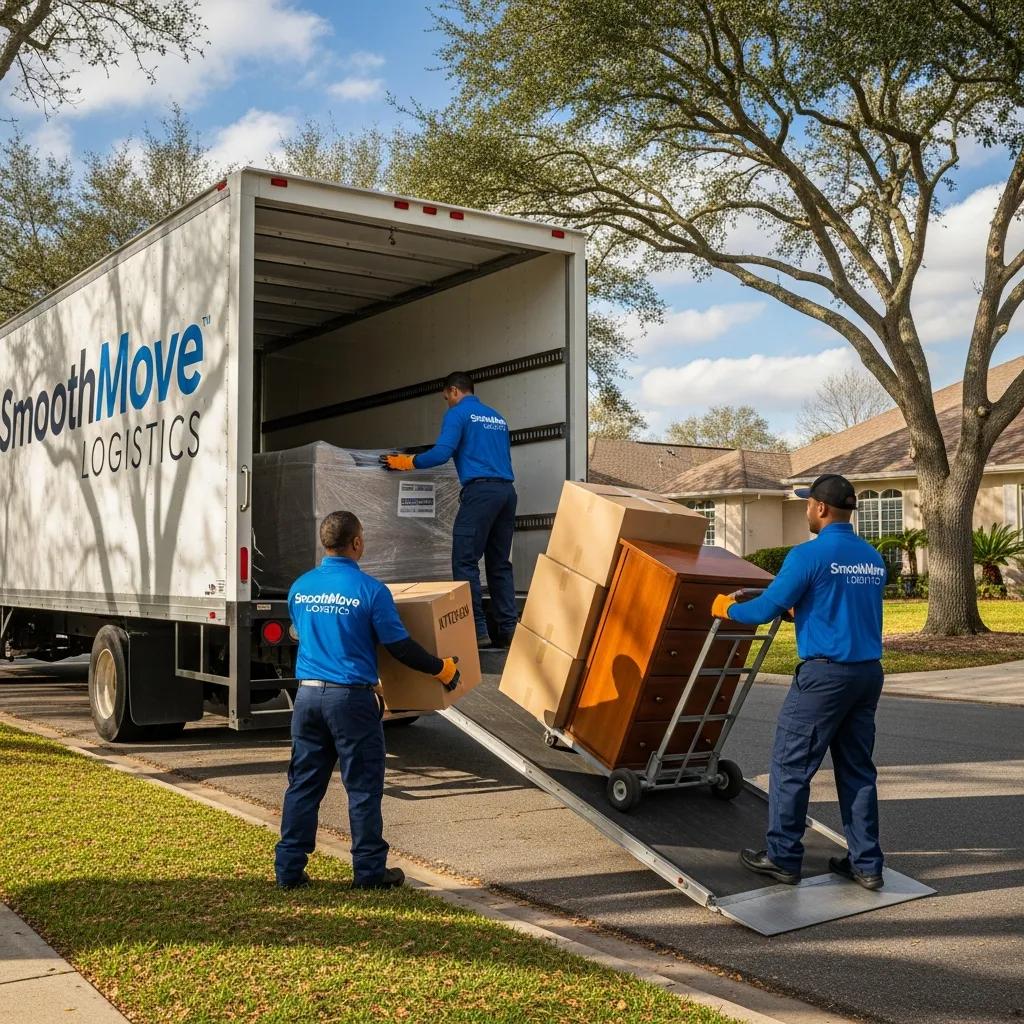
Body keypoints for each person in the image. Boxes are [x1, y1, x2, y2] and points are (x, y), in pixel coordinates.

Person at [711, 474, 888, 891]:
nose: (806, 509)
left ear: (822, 509)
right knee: (857, 770)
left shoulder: (807, 555)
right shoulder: (871, 557)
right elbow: (843, 603)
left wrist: (725, 609)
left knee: (791, 765)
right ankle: (866, 864)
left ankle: (783, 857)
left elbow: (761, 610)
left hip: (825, 676)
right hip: (866, 675)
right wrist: (799, 612)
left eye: (809, 504)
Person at [275, 510, 461, 890]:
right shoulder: (371, 591)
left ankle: (289, 870)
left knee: (304, 784)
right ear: (357, 543)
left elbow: (301, 632)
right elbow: (400, 647)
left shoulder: (300, 587)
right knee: (362, 786)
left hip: (307, 697)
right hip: (350, 701)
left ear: (324, 543)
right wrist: (441, 669)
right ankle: (369, 872)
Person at [384, 370, 517, 648]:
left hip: (480, 493)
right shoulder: (497, 417)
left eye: (446, 397)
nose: (447, 401)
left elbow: (441, 453)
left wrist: (406, 462)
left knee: (465, 560)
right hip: (506, 493)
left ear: (454, 391)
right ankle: (508, 629)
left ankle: (477, 630)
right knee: (499, 564)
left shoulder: (458, 414)